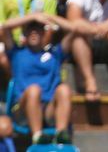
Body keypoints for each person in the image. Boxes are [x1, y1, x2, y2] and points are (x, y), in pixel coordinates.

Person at [1, 12, 82, 145]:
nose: (34, 32)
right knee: (34, 90)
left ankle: (61, 135)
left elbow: (73, 29)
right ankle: (37, 136)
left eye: (38, 29)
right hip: (23, 110)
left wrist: (47, 17)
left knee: (64, 89)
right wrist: (33, 16)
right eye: (30, 29)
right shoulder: (17, 53)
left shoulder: (55, 54)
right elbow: (5, 27)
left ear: (44, 33)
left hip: (49, 110)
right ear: (25, 34)